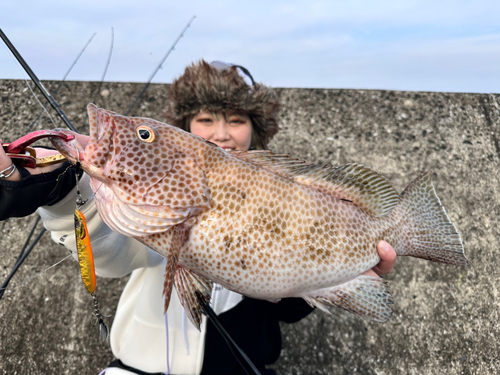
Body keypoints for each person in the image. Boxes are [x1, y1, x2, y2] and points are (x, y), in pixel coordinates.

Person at [0, 60, 397, 375]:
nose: (221, 133)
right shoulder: (158, 201)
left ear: (254, 129)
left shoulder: (276, 189)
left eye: (237, 120)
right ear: (185, 128)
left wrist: (348, 273)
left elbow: (286, 304)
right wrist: (63, 195)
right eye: (206, 119)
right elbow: (114, 253)